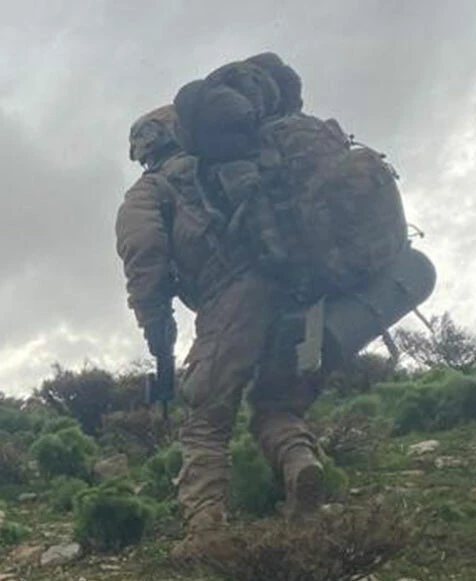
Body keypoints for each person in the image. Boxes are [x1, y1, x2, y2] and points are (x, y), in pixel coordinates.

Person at [114, 104, 325, 558]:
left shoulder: (151, 189)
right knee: (277, 404)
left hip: (233, 294)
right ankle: (300, 468)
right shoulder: (246, 164)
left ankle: (206, 531)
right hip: (304, 292)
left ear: (145, 145)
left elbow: (143, 251)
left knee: (206, 419)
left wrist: (154, 322)